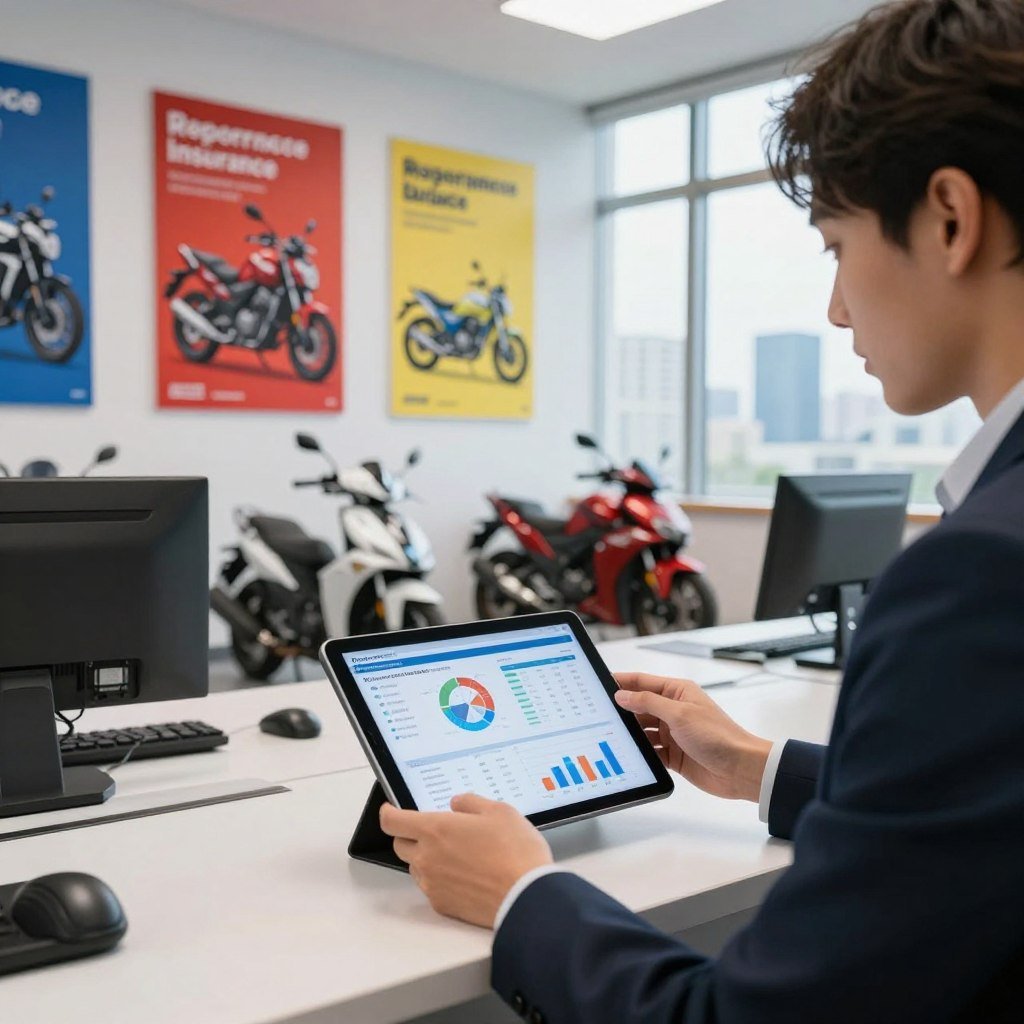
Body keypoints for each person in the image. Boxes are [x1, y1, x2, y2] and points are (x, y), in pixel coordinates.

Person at [379, 1, 1024, 1020]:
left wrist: (521, 893)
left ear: (949, 217)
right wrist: (760, 768)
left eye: (833, 245)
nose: (837, 308)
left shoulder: (981, 576)